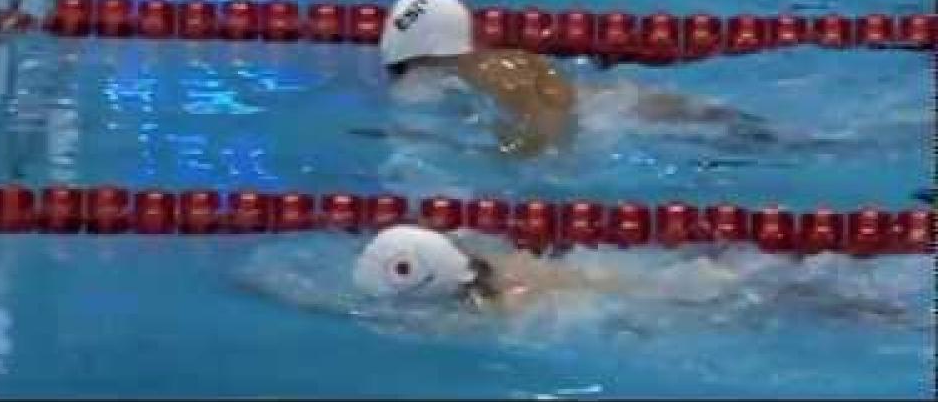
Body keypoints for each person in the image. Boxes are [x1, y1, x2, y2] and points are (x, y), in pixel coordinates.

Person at [358, 0, 804, 159]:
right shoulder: (503, 59)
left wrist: (517, 162)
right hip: (625, 99)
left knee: (773, 144)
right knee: (773, 137)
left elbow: (549, 129)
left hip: (616, 118)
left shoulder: (449, 81)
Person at [352, 224, 918, 323]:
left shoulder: (505, 306)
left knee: (804, 300)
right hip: (672, 280)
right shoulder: (497, 262)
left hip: (681, 299)